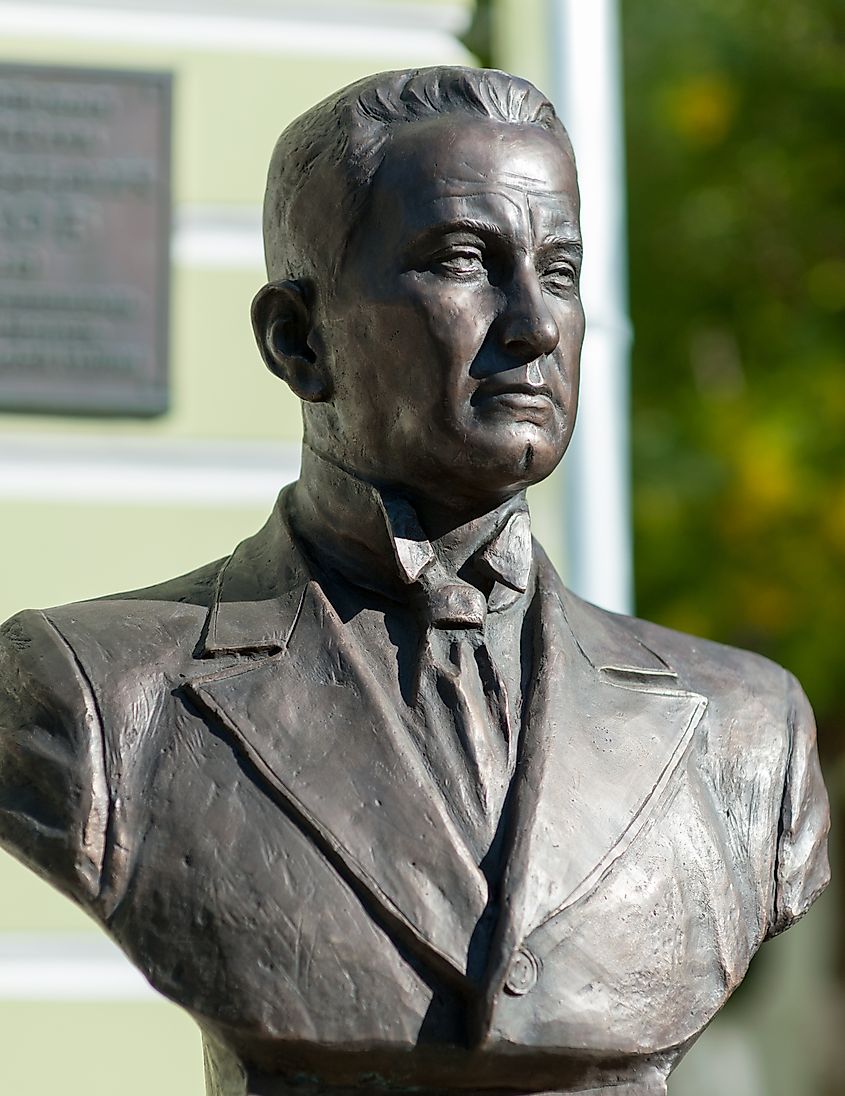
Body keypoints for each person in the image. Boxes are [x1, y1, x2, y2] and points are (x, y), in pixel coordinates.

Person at [0, 68, 829, 1096]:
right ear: (297, 341)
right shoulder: (93, 700)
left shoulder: (744, 731)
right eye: (462, 262)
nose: (532, 324)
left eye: (560, 272)